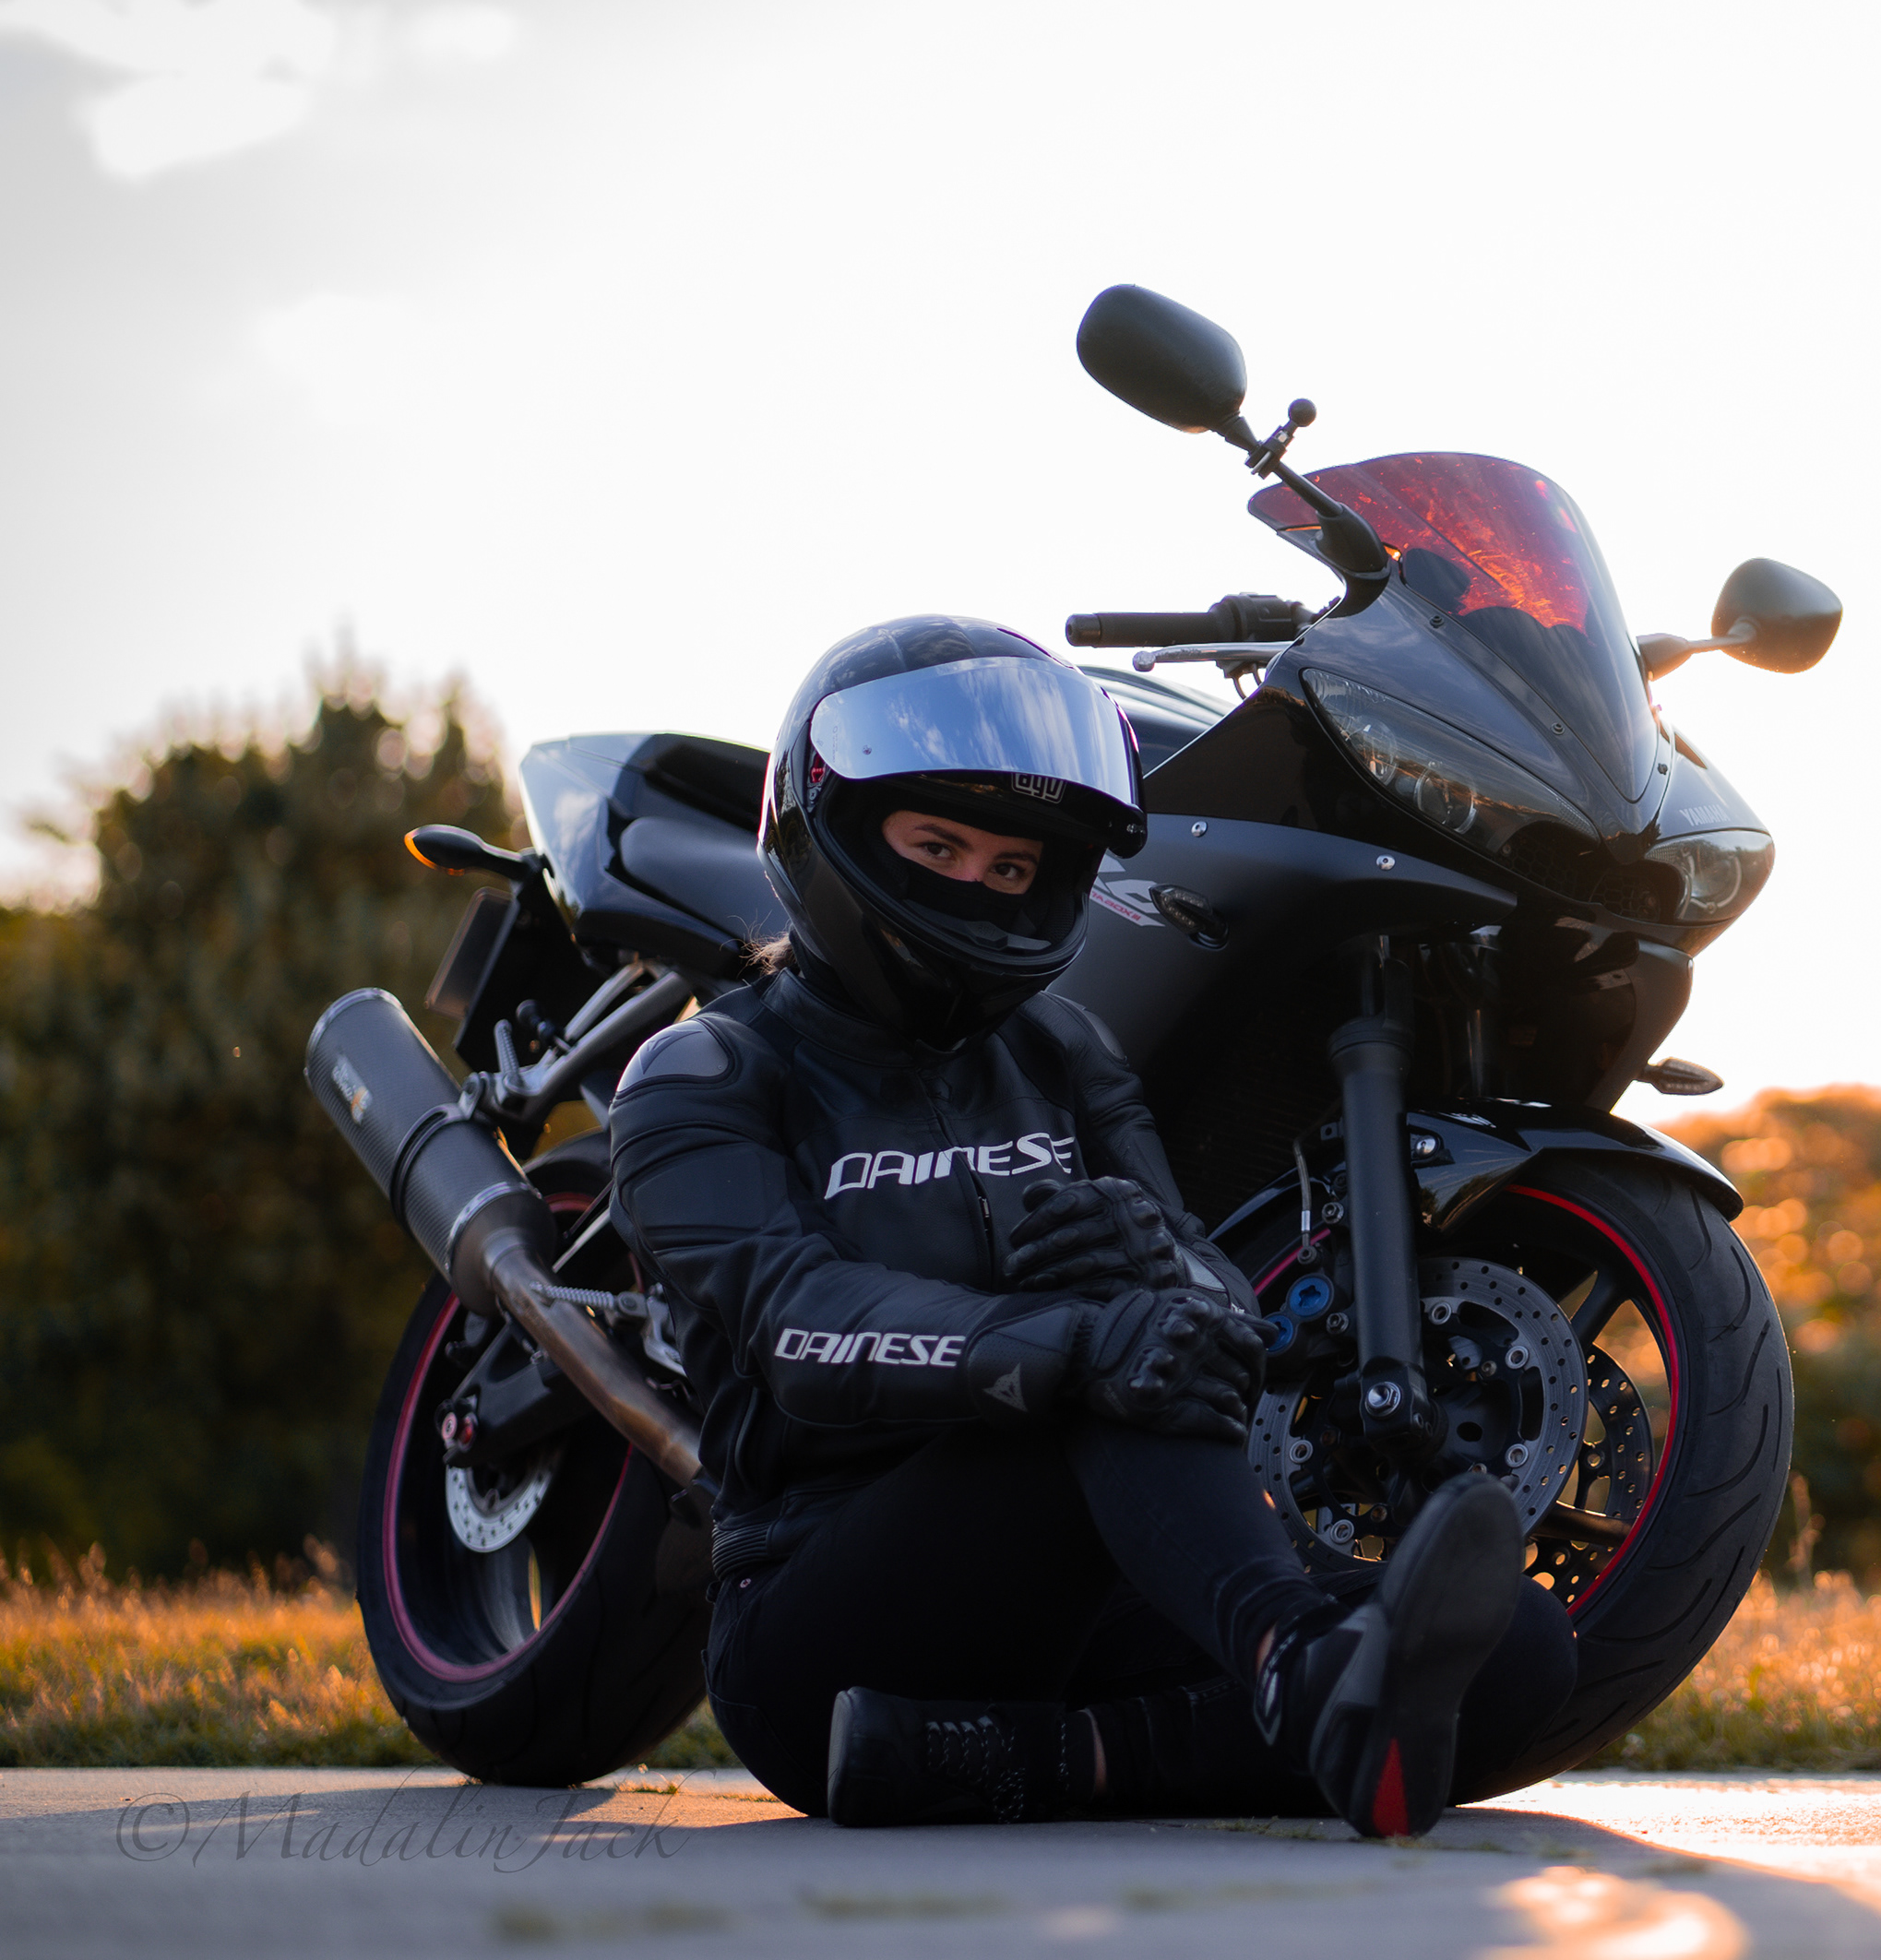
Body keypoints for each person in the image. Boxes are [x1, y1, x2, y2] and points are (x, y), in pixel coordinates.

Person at [606, 615, 1570, 1832]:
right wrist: (1075, 1343)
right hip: (820, 1624)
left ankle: (1015, 1763)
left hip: (1088, 1603)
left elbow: (1222, 1323)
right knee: (1106, 1368)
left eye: (1013, 868)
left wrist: (1160, 1269)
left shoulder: (1064, 1051)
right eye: (937, 845)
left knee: (1526, 1650)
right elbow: (800, 1328)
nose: (976, 884)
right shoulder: (703, 1074)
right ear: (828, 820)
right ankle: (1295, 1667)